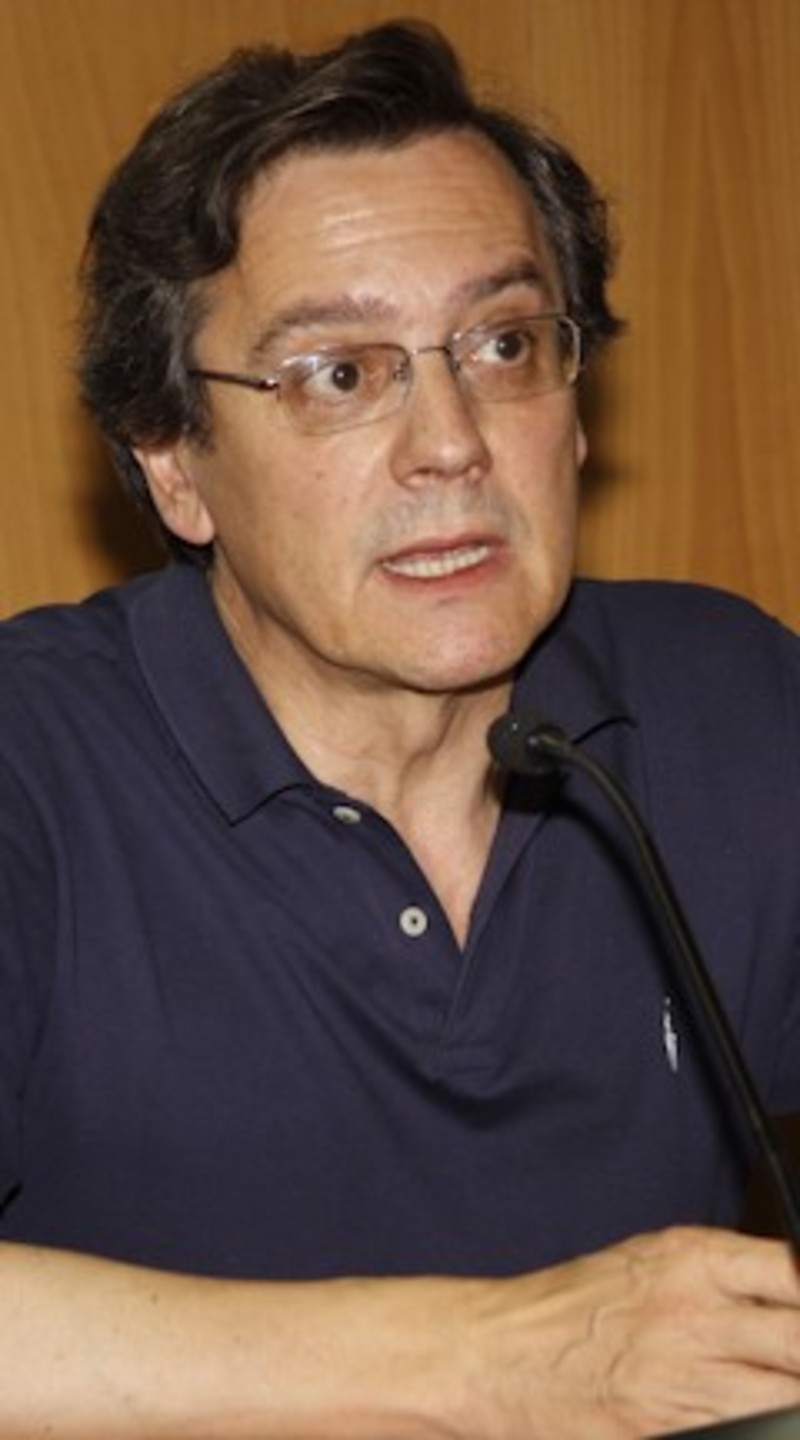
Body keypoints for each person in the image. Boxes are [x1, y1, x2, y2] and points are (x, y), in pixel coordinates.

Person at [0, 17, 799, 1438]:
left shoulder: (726, 700)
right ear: (175, 462)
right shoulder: (29, 761)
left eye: (504, 345)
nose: (451, 443)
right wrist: (493, 1364)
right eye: (339, 374)